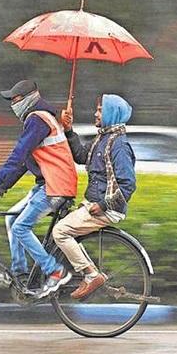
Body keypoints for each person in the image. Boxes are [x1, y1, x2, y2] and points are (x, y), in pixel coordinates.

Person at [0, 79, 77, 298]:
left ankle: (55, 271)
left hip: (56, 186)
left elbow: (18, 154)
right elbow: (24, 163)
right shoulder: (40, 119)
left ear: (29, 99)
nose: (13, 105)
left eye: (15, 100)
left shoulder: (38, 119)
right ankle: (20, 275)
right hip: (48, 183)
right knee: (11, 219)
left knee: (20, 227)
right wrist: (0, 187)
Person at [53, 93, 136, 299]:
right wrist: (69, 129)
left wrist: (103, 205)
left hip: (105, 209)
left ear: (111, 113)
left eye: (100, 110)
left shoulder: (119, 145)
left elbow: (128, 185)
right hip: (92, 204)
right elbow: (81, 156)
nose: (96, 113)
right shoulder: (103, 138)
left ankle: (91, 275)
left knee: (60, 231)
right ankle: (89, 271)